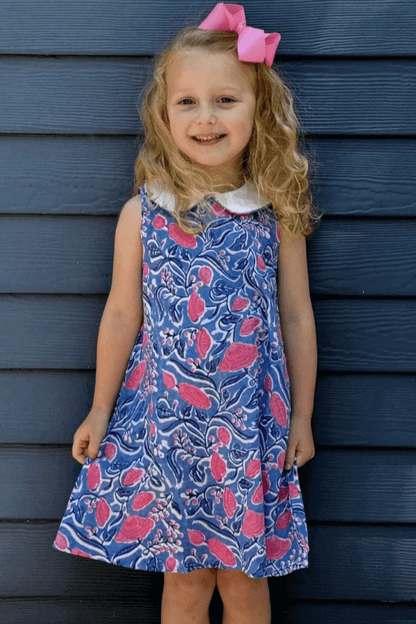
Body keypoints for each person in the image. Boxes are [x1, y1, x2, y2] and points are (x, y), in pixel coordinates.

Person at [52, 3, 321, 623]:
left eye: (226, 100)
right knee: (186, 586)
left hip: (251, 431)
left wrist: (303, 414)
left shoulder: (274, 215)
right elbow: (122, 315)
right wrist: (99, 406)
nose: (206, 118)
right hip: (168, 430)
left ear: (260, 111)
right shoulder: (143, 214)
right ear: (164, 114)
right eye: (188, 102)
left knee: (248, 586)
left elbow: (298, 317)